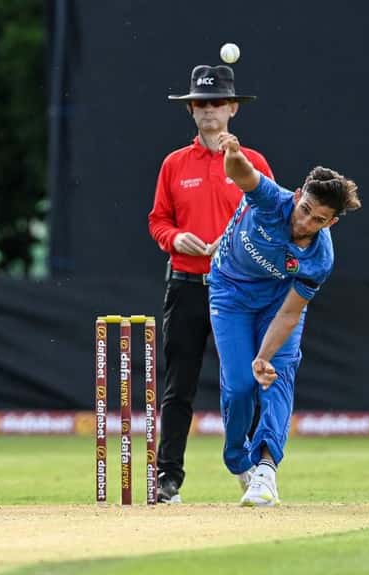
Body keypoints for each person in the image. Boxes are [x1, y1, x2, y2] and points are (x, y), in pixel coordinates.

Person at [210, 132, 360, 506]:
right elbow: (243, 173)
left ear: (332, 223)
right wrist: (232, 152)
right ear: (297, 195)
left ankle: (265, 469)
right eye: (305, 208)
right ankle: (238, 459)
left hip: (277, 304)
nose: (306, 221)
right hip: (229, 292)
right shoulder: (271, 200)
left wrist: (265, 356)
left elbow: (291, 313)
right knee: (241, 387)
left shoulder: (319, 259)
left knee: (277, 376)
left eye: (319, 219)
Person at [148, 64, 274, 503]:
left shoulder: (252, 162)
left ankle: (252, 469)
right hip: (185, 283)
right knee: (178, 385)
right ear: (191, 112)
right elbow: (158, 220)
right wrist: (174, 237)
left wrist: (233, 240)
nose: (208, 112)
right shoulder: (174, 164)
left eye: (217, 103)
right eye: (200, 104)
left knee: (243, 381)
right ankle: (168, 479)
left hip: (238, 289)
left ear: (233, 108)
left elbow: (272, 221)